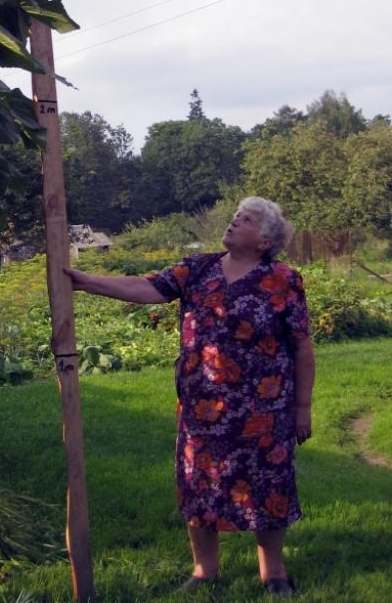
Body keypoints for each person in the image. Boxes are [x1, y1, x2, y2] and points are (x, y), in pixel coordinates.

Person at [65, 197, 315, 597]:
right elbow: (147, 287)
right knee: (200, 484)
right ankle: (205, 570)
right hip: (202, 408)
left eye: (247, 219)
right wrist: (84, 281)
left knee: (268, 485)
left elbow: (301, 346)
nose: (235, 221)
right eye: (236, 215)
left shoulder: (283, 280)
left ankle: (273, 571)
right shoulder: (198, 268)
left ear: (265, 241)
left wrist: (303, 408)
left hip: (265, 409)